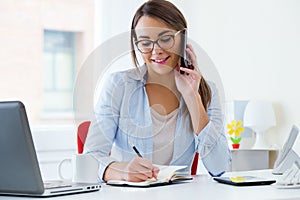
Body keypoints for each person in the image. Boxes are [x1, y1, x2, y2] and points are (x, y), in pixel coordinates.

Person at [84, 0, 231, 183]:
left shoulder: (207, 92)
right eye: (145, 42)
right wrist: (120, 171)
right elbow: (89, 160)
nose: (156, 50)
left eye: (165, 39)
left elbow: (220, 167)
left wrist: (193, 98)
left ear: (182, 38)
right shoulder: (118, 86)